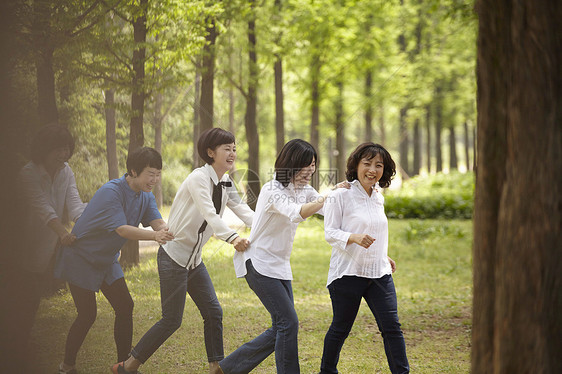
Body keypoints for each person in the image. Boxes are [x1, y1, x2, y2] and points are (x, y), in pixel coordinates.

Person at [113, 128, 254, 374]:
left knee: (213, 312)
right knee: (171, 320)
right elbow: (209, 214)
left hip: (194, 262)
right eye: (226, 148)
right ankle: (128, 366)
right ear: (210, 152)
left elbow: (245, 212)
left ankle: (215, 368)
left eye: (234, 148)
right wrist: (232, 238)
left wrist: (276, 223)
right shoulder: (198, 178)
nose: (232, 153)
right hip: (173, 258)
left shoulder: (226, 181)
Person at [218, 139, 347, 374]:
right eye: (305, 165)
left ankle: (226, 369)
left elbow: (329, 211)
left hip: (280, 266)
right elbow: (296, 214)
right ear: (290, 164)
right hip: (258, 263)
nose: (310, 170)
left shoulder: (305, 191)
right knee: (289, 322)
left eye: (313, 165)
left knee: (281, 327)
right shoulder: (272, 190)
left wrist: (348, 195)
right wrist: (328, 195)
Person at [54, 147, 174, 374]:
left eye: (158, 174)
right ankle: (67, 365)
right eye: (151, 173)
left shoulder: (145, 196)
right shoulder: (112, 192)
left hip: (106, 260)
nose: (155, 179)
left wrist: (169, 230)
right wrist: (155, 236)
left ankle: (124, 366)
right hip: (81, 257)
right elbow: (122, 229)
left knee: (125, 305)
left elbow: (157, 222)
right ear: (133, 170)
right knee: (87, 314)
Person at [319, 142, 409, 374]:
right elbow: (330, 233)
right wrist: (354, 237)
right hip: (348, 273)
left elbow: (375, 229)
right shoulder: (340, 194)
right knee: (341, 328)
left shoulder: (378, 197)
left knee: (392, 328)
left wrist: (382, 255)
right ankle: (327, 371)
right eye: (367, 163)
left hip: (379, 272)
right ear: (356, 165)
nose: (372, 170)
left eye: (378, 165)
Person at [5, 124, 86, 371]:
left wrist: (90, 224)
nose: (63, 154)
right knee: (21, 310)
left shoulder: (66, 171)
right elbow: (44, 209)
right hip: (18, 254)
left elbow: (75, 206)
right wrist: (63, 233)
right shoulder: (27, 174)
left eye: (66, 149)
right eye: (57, 149)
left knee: (31, 308)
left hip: (46, 254)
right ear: (43, 150)